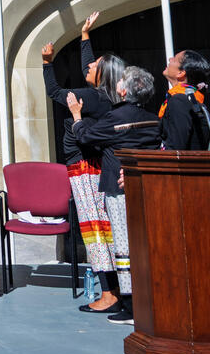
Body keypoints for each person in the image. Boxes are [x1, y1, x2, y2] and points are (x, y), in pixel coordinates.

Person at [42, 12, 126, 314]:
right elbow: (88, 66)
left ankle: (109, 293)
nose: (87, 67)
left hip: (86, 170)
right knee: (103, 229)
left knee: (96, 231)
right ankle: (115, 290)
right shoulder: (106, 95)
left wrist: (47, 63)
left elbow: (54, 92)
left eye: (93, 66)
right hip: (96, 167)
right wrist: (85, 36)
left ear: (101, 75)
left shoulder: (90, 99)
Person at [69, 65, 163, 320]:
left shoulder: (117, 117)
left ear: (123, 90)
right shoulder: (153, 118)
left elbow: (87, 137)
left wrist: (76, 116)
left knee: (123, 246)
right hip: (147, 186)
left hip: (118, 187)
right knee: (145, 243)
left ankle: (131, 306)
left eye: (121, 81)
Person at [160, 49, 210, 150]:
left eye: (174, 59)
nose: (170, 59)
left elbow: (176, 148)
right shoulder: (191, 100)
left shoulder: (180, 101)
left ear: (181, 73)